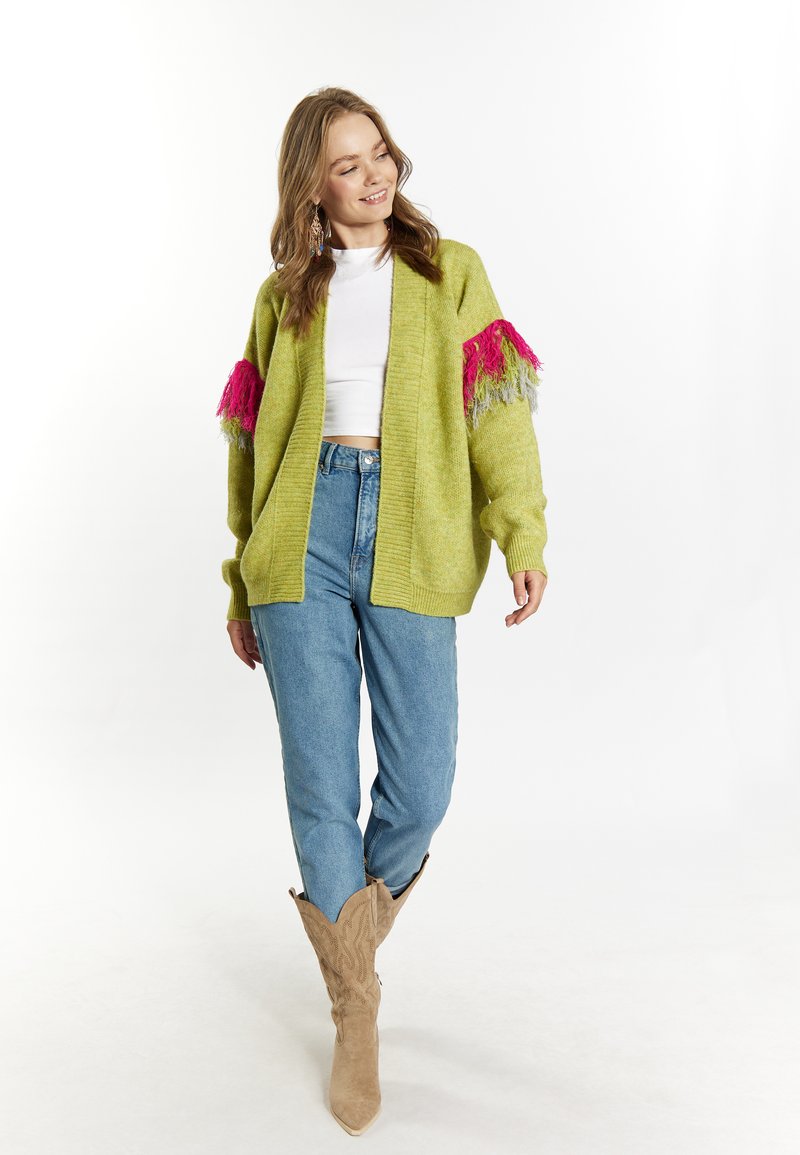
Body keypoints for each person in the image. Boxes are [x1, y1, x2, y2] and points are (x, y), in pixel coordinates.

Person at [216, 86, 549, 1136]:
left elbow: (498, 417)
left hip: (413, 527)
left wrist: (521, 534)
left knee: (422, 780)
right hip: (298, 536)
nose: (374, 176)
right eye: (347, 165)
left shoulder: (451, 273)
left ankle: (347, 939)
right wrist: (240, 579)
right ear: (311, 188)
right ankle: (353, 1009)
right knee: (320, 784)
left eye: (380, 154)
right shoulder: (284, 296)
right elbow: (249, 447)